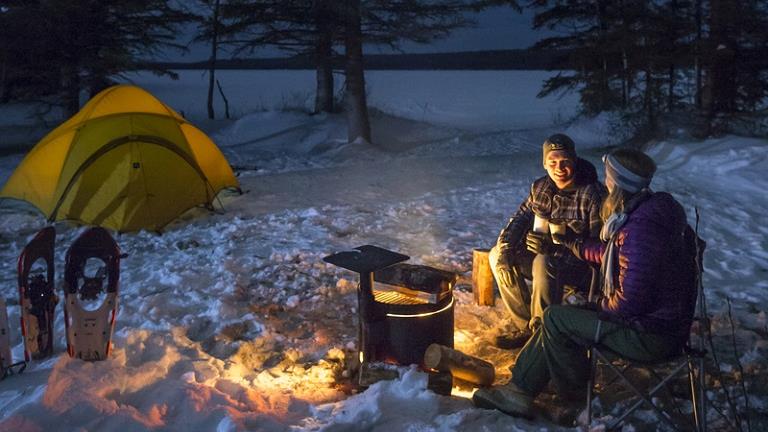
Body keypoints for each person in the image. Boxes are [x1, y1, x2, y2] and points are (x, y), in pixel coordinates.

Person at [473, 148, 698, 419]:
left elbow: (628, 302)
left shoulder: (641, 229)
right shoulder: (647, 213)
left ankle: (575, 401)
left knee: (557, 318)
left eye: (609, 176)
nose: (606, 181)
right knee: (556, 318)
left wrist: (593, 304)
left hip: (651, 336)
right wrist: (572, 243)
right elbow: (614, 253)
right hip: (660, 325)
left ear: (620, 183)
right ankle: (518, 389)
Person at [489, 133, 606, 349]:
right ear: (544, 164)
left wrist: (557, 248)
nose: (559, 168)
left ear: (575, 161)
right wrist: (506, 250)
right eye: (552, 162)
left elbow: (600, 250)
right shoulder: (541, 188)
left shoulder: (592, 194)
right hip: (544, 257)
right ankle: (527, 325)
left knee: (544, 261)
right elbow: (519, 219)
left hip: (582, 270)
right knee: (497, 254)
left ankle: (543, 335)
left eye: (565, 162)